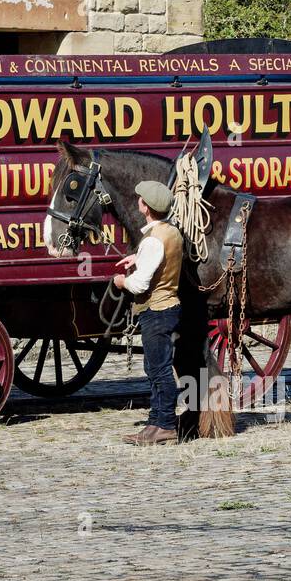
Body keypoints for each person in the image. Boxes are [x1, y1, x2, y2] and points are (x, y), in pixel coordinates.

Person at [112, 180, 184, 447]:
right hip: (167, 306)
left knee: (160, 370)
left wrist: (121, 281)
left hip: (156, 309)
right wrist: (137, 259)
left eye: (140, 199)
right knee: (154, 367)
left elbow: (140, 284)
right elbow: (162, 260)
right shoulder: (171, 232)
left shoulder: (153, 240)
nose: (138, 202)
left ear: (146, 207)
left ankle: (165, 425)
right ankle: (155, 424)